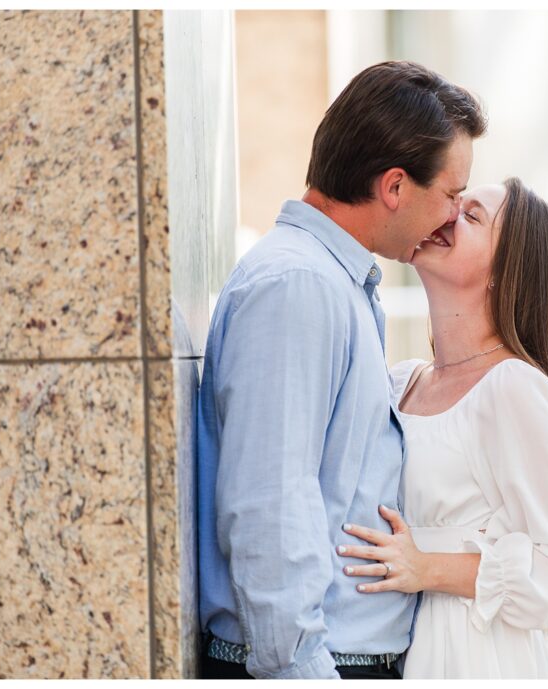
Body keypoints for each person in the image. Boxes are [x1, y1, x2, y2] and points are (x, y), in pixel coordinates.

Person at [196, 61, 486, 679]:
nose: (455, 216)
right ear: (395, 187)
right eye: (452, 196)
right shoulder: (298, 286)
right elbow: (268, 503)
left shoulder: (337, 282)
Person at [335, 178, 548, 678]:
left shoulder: (513, 390)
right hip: (392, 648)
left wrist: (426, 567)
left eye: (472, 215)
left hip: (475, 659)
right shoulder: (400, 381)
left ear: (507, 273)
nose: (447, 214)